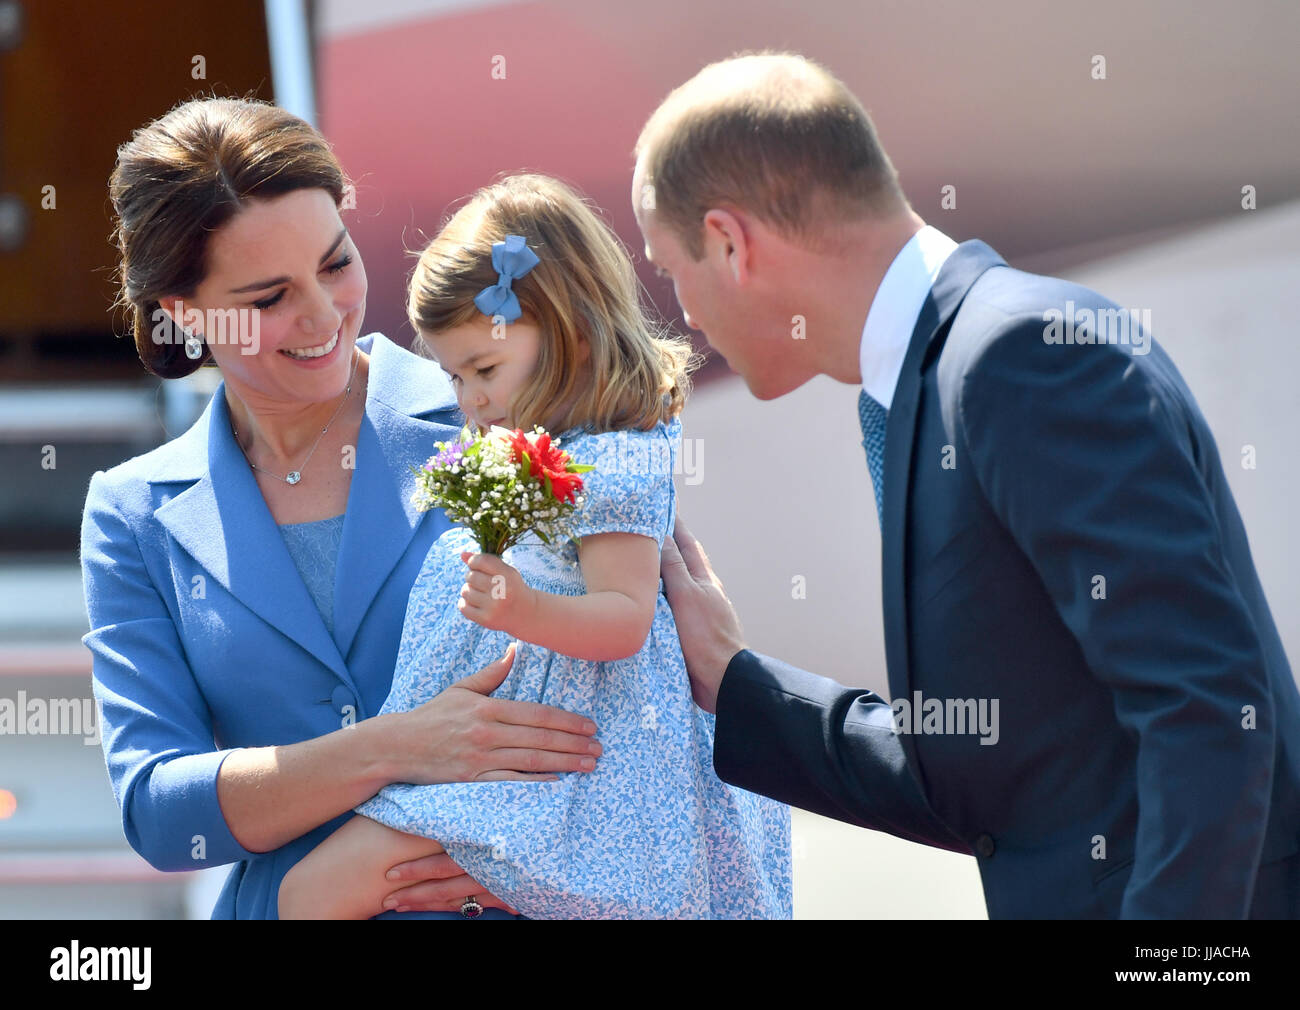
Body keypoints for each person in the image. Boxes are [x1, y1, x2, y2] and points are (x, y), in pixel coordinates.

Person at [633, 51, 1300, 918]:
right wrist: (735, 683)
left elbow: (1208, 708)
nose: (683, 312)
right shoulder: (937, 383)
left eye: (669, 268)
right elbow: (982, 771)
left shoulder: (1020, 359)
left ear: (730, 242)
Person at [81, 97, 605, 920]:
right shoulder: (133, 512)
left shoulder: (509, 413)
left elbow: (644, 686)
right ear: (185, 314)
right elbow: (160, 811)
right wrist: (393, 750)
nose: (324, 316)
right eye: (268, 298)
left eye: (335, 263)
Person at [277, 173, 792, 919]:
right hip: (513, 749)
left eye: (483, 370)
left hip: (576, 772)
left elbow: (624, 619)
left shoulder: (614, 459)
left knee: (314, 892)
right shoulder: (529, 442)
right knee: (312, 893)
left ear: (571, 336)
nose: (469, 401)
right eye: (455, 376)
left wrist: (521, 608)